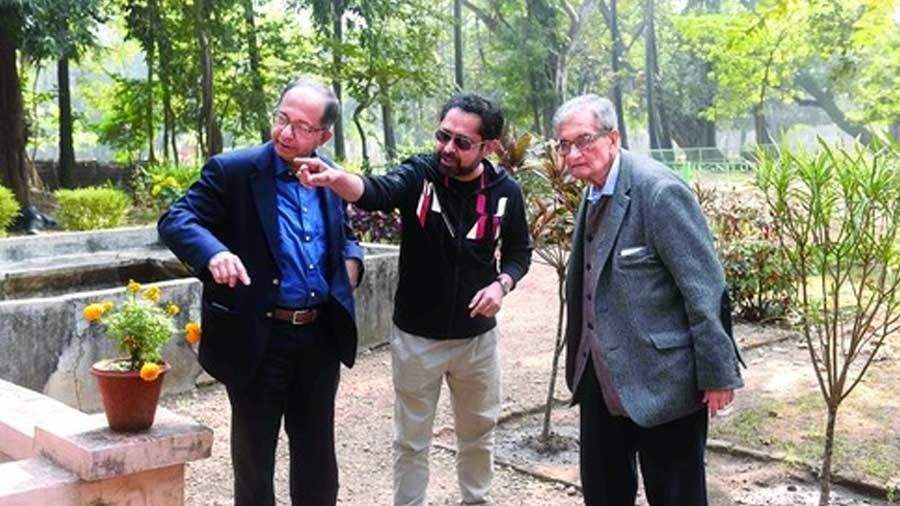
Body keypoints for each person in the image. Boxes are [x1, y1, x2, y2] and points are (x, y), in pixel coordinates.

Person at [295, 93, 532, 506]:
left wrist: (501, 285)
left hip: (477, 342)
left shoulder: (505, 191)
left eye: (462, 143)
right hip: (417, 340)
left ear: (488, 147)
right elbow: (374, 190)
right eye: (443, 136)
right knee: (411, 442)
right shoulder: (421, 174)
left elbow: (519, 253)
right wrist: (335, 178)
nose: (447, 148)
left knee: (478, 436)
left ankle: (476, 500)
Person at [157, 78, 364, 506]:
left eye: (302, 127)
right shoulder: (233, 171)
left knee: (317, 455)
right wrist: (213, 252)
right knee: (254, 461)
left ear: (323, 136)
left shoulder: (329, 176)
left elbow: (345, 235)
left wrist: (352, 262)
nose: (286, 133)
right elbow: (177, 220)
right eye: (282, 118)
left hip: (318, 336)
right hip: (258, 336)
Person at [555, 94, 744, 506]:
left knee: (676, 498)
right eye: (564, 145)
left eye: (583, 140)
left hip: (664, 384)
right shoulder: (591, 193)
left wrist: (718, 374)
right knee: (603, 495)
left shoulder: (658, 192)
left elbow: (705, 289)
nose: (573, 154)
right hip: (599, 384)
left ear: (613, 137)